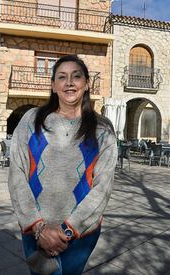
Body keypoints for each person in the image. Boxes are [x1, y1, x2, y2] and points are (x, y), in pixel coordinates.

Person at [8, 55, 117, 275]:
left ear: (86, 84)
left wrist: (67, 231)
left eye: (76, 76)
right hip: (35, 230)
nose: (69, 82)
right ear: (53, 85)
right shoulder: (32, 120)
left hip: (81, 234)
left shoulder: (102, 129)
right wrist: (39, 228)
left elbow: (103, 187)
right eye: (62, 77)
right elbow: (17, 174)